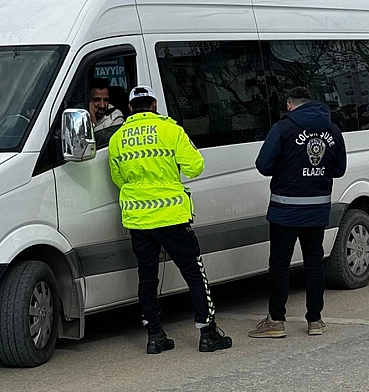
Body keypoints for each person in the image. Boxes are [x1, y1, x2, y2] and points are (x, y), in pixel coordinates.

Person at [108, 85, 231, 354]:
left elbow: (118, 179)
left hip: (138, 219)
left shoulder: (117, 139)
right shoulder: (171, 130)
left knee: (147, 277)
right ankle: (207, 333)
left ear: (130, 108)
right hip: (172, 215)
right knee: (194, 274)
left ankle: (155, 336)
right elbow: (195, 166)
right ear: (153, 105)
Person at [250, 87, 347, 338]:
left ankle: (276, 322)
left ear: (290, 105)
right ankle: (315, 320)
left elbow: (263, 165)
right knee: (314, 264)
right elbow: (339, 170)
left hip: (285, 210)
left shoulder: (283, 128)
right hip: (316, 210)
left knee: (280, 266)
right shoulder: (333, 131)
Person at [90, 78, 125, 147]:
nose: (102, 105)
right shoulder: (79, 112)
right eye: (97, 100)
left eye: (106, 100)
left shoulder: (116, 117)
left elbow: (99, 143)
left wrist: (93, 122)